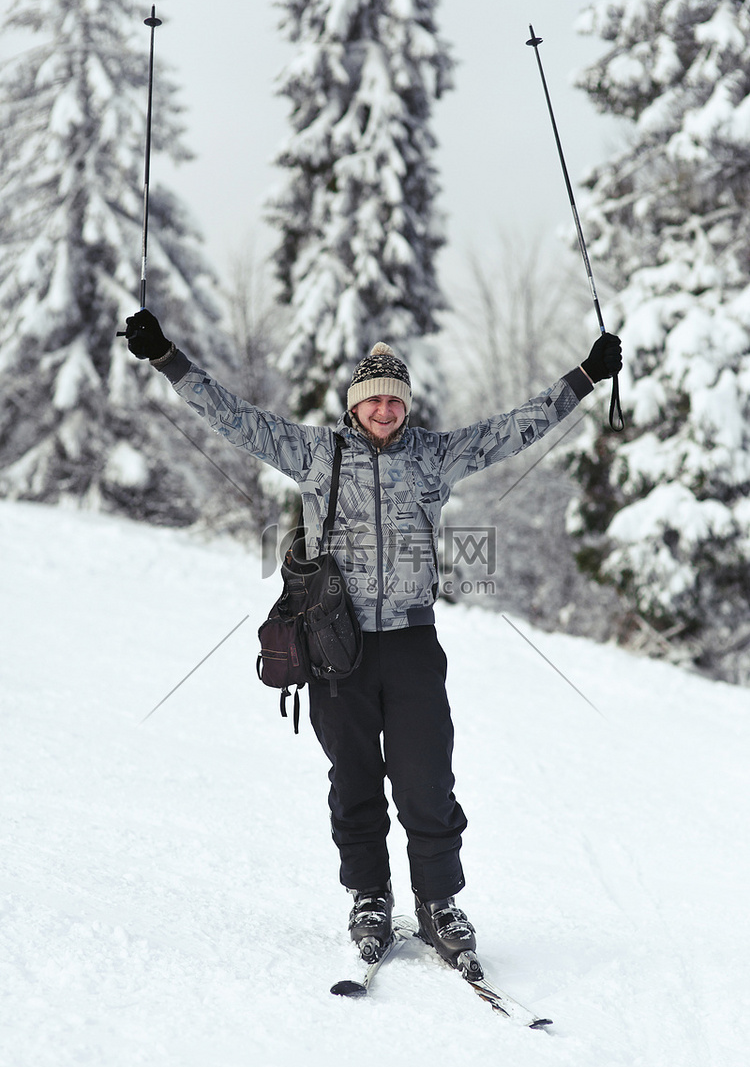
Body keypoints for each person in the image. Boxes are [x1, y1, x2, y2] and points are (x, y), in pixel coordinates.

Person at [125, 309, 622, 967]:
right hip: (338, 646)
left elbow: (514, 430)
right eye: (373, 400)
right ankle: (369, 897)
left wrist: (586, 376)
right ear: (355, 405)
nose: (385, 410)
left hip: (413, 645)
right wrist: (166, 356)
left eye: (395, 399)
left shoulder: (434, 457)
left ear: (406, 405)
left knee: (427, 782)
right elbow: (231, 416)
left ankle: (440, 904)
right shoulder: (314, 452)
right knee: (354, 779)